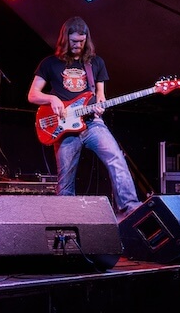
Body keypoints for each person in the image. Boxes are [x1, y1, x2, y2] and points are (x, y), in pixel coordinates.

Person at [27, 16, 142, 220]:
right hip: (64, 128)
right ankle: (66, 221)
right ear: (65, 39)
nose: (78, 45)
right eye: (73, 41)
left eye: (81, 41)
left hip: (92, 124)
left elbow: (100, 95)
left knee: (116, 158)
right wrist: (51, 98)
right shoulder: (50, 63)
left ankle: (130, 208)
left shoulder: (96, 63)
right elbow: (32, 94)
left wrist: (100, 107)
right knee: (65, 181)